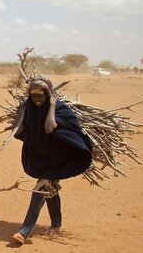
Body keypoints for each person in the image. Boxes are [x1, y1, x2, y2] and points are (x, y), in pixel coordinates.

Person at [10, 78, 92, 244]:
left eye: (41, 96)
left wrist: (52, 105)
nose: (37, 100)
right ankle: (56, 224)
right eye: (33, 96)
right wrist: (22, 111)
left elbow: (49, 128)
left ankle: (24, 231)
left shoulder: (60, 108)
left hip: (61, 158)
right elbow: (17, 130)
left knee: (40, 188)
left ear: (48, 94)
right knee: (49, 189)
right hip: (41, 158)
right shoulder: (29, 108)